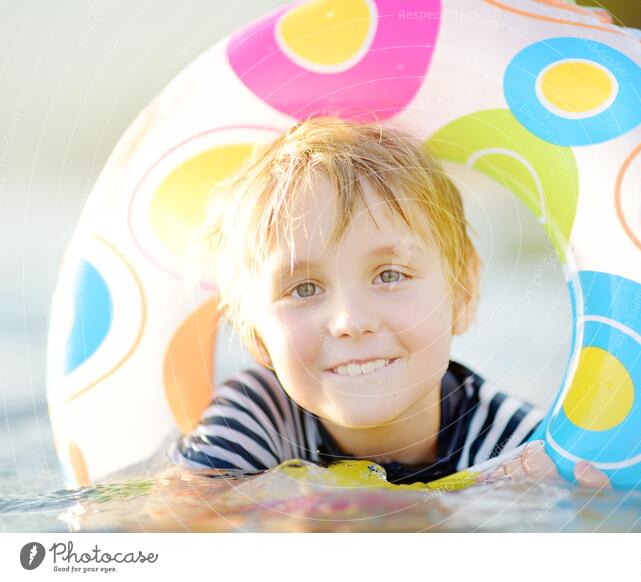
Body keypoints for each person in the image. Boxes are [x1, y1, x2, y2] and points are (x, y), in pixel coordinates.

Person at [168, 117, 608, 488]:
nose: (350, 321)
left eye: (390, 275)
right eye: (304, 289)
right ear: (254, 333)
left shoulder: (515, 451)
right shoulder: (256, 420)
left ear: (463, 290)